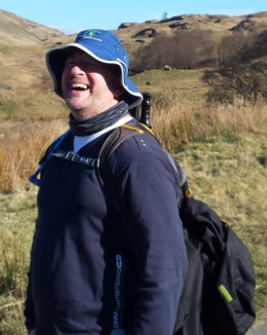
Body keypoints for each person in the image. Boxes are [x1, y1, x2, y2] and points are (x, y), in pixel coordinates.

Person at [25, 29, 188, 335]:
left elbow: (165, 269)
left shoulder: (136, 156)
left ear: (117, 81)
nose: (74, 69)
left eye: (90, 63)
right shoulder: (61, 148)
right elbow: (47, 239)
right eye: (69, 62)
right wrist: (33, 318)